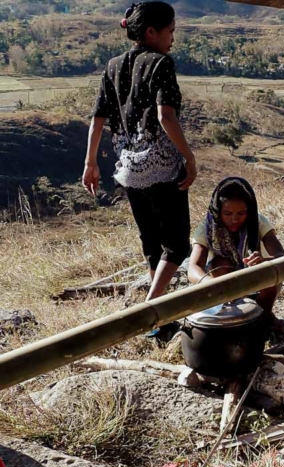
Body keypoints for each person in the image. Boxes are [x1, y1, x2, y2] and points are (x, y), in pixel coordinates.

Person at [82, 2, 197, 330]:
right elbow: (166, 115)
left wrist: (90, 162)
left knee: (152, 242)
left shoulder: (114, 65)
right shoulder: (161, 63)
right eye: (170, 32)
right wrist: (189, 158)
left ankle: (161, 317)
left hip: (129, 167)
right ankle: (153, 312)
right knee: (177, 245)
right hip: (160, 165)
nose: (172, 39)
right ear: (152, 32)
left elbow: (98, 118)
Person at [188, 177, 284, 333]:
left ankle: (263, 317)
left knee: (269, 272)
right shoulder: (206, 228)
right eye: (227, 213)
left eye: (241, 213)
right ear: (217, 210)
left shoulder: (259, 222)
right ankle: (230, 318)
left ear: (250, 210)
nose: (234, 219)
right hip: (223, 286)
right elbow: (194, 268)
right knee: (220, 263)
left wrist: (264, 262)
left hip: (257, 280)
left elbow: (281, 256)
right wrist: (211, 284)